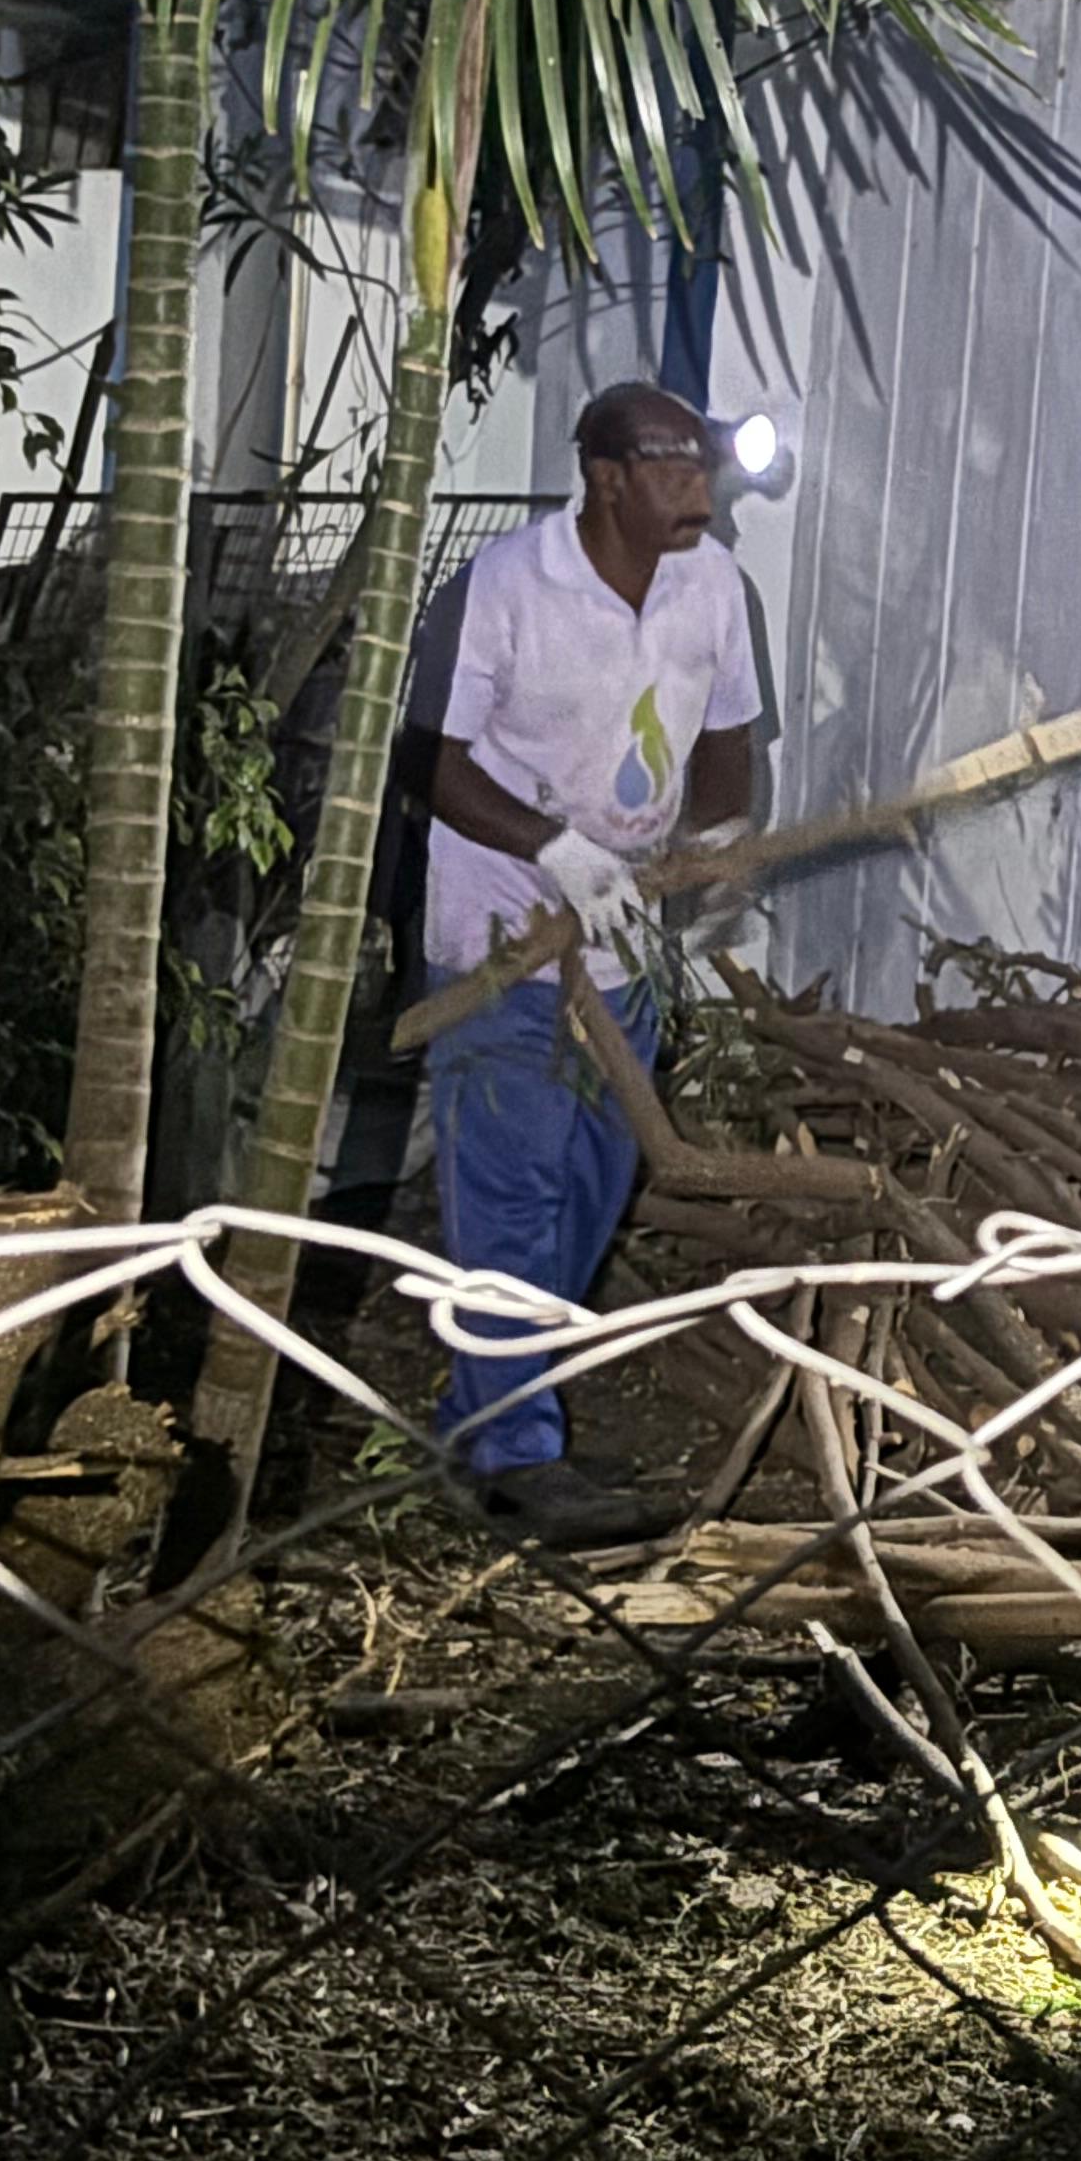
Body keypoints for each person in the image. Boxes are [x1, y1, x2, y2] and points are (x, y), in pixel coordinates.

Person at [419, 382, 760, 1546]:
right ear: (605, 479)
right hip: (503, 936)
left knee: (593, 1185)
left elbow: (727, 743)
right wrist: (553, 849)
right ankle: (521, 1454)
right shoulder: (508, 585)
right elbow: (433, 762)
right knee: (513, 1191)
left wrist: (716, 845)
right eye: (674, 469)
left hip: (626, 946)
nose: (699, 491)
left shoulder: (713, 587)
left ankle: (488, 1417)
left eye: (704, 467)